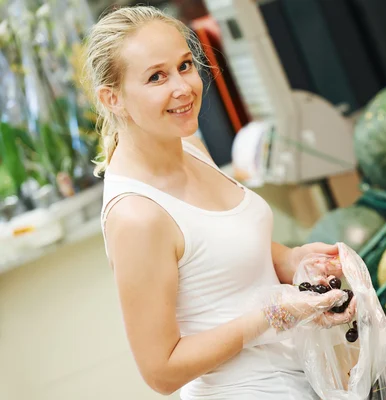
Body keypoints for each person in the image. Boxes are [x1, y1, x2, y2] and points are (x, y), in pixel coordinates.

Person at [84, 5, 356, 400]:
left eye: (184, 65)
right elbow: (161, 371)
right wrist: (271, 317)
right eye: (156, 76)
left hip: (302, 376)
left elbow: (225, 253)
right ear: (113, 98)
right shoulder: (136, 216)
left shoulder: (189, 146)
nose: (183, 87)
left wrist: (293, 260)